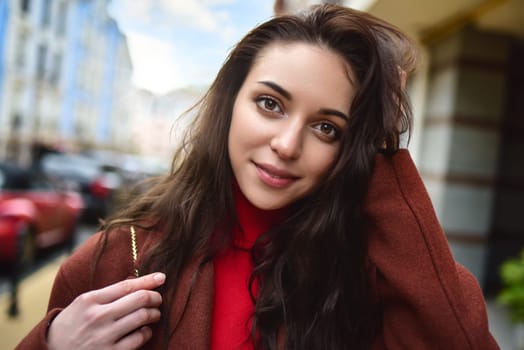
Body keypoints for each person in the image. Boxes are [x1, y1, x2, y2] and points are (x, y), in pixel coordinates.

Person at [17, 4, 499, 350]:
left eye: (327, 128)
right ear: (230, 104)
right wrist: (52, 343)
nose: (287, 145)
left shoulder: (364, 280)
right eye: (270, 104)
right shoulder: (116, 260)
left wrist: (385, 151)